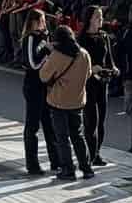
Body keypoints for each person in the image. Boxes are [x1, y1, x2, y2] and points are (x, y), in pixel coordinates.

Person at [39, 24, 95, 180]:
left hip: (59, 102)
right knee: (78, 135)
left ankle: (68, 169)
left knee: (62, 137)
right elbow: (89, 73)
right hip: (77, 101)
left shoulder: (57, 55)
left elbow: (43, 76)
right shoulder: (84, 54)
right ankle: (86, 167)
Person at [20, 9, 59, 175]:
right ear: (34, 22)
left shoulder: (44, 36)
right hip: (33, 85)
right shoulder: (30, 38)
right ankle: (32, 163)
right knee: (33, 125)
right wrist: (46, 52)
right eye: (41, 20)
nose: (44, 23)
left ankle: (56, 160)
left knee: (50, 125)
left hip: (46, 86)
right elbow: (32, 63)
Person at [78, 5, 116, 165]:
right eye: (96, 17)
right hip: (88, 82)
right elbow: (78, 64)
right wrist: (92, 69)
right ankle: (91, 154)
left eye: (101, 16)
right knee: (90, 120)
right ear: (89, 19)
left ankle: (97, 152)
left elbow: (109, 58)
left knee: (101, 120)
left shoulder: (104, 36)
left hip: (102, 82)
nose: (100, 20)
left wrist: (112, 68)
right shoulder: (81, 39)